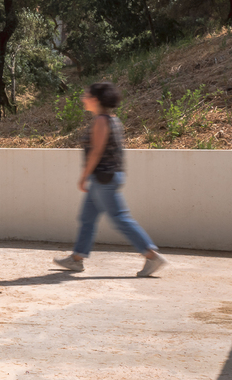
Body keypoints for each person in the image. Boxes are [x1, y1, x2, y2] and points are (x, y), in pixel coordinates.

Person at [53, 81, 167, 277]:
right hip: (107, 177)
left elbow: (96, 152)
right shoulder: (112, 119)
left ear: (95, 100)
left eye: (86, 95)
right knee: (87, 218)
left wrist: (83, 176)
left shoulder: (101, 121)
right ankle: (77, 259)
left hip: (103, 179)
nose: (83, 99)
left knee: (120, 218)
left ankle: (152, 256)